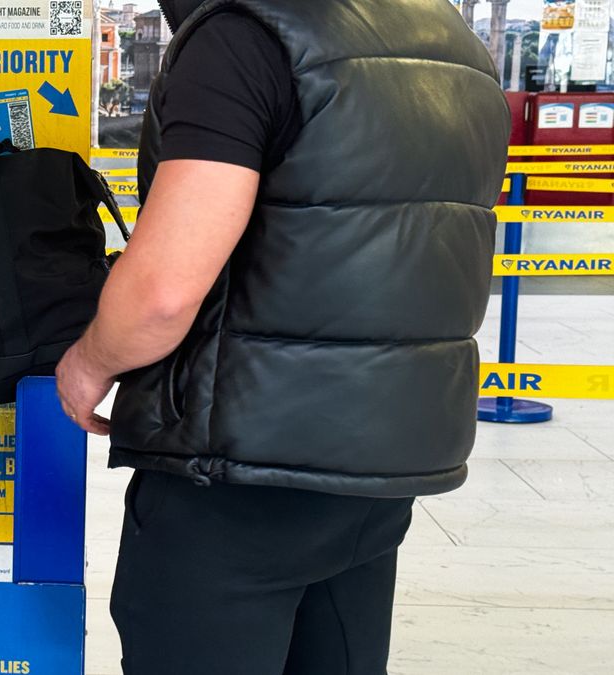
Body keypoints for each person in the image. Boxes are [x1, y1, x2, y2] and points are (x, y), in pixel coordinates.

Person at [56, 1, 508, 673]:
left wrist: (90, 359)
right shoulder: (452, 40)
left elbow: (163, 292)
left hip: (239, 469)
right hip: (385, 463)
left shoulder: (244, 36)